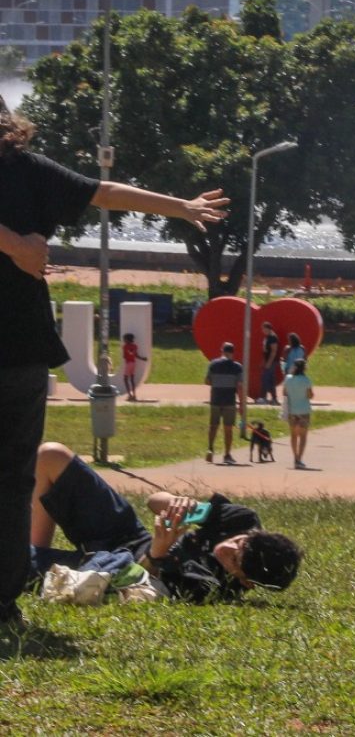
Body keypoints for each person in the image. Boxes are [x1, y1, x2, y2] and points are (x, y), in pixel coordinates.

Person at [0, 94, 229, 631]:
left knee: (12, 480)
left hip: (19, 350)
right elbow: (101, 192)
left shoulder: (21, 168)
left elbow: (100, 191)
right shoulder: (19, 164)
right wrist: (13, 245)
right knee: (10, 479)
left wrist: (181, 207)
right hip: (18, 348)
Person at [28, 442, 302, 602]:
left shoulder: (209, 587)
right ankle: (34, 546)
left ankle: (29, 559)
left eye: (233, 561)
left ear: (246, 583)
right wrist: (177, 503)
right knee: (52, 455)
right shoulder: (241, 521)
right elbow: (152, 501)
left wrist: (157, 551)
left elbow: (137, 580)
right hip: (125, 533)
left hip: (118, 567)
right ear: (252, 534)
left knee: (11, 564)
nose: (226, 549)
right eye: (239, 543)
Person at [205, 341, 243, 465]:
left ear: (222, 351)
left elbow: (207, 381)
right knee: (228, 429)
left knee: (213, 426)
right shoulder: (237, 367)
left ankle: (210, 449)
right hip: (229, 400)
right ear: (232, 353)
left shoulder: (213, 364)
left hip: (215, 399)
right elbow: (239, 387)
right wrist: (241, 404)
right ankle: (227, 454)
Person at [283, 358, 314, 470]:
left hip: (292, 411)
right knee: (303, 436)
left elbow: (284, 393)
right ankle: (299, 459)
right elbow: (310, 395)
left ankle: (295, 457)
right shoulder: (306, 380)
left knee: (293, 435)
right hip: (304, 410)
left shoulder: (288, 379)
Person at [257, 321, 280, 405]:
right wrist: (264, 361)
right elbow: (265, 350)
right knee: (270, 380)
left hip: (271, 362)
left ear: (268, 328)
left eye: (264, 329)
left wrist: (269, 362)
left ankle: (263, 397)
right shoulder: (267, 337)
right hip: (267, 361)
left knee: (265, 379)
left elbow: (274, 351)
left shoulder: (273, 337)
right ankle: (274, 399)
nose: (263, 330)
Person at [121, 332, 147, 402]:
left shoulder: (125, 346)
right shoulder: (135, 346)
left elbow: (124, 356)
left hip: (128, 364)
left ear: (127, 340)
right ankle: (134, 395)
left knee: (125, 379)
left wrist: (127, 354)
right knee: (132, 379)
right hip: (133, 363)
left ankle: (129, 395)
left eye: (124, 339)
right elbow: (136, 355)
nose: (124, 340)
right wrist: (143, 358)